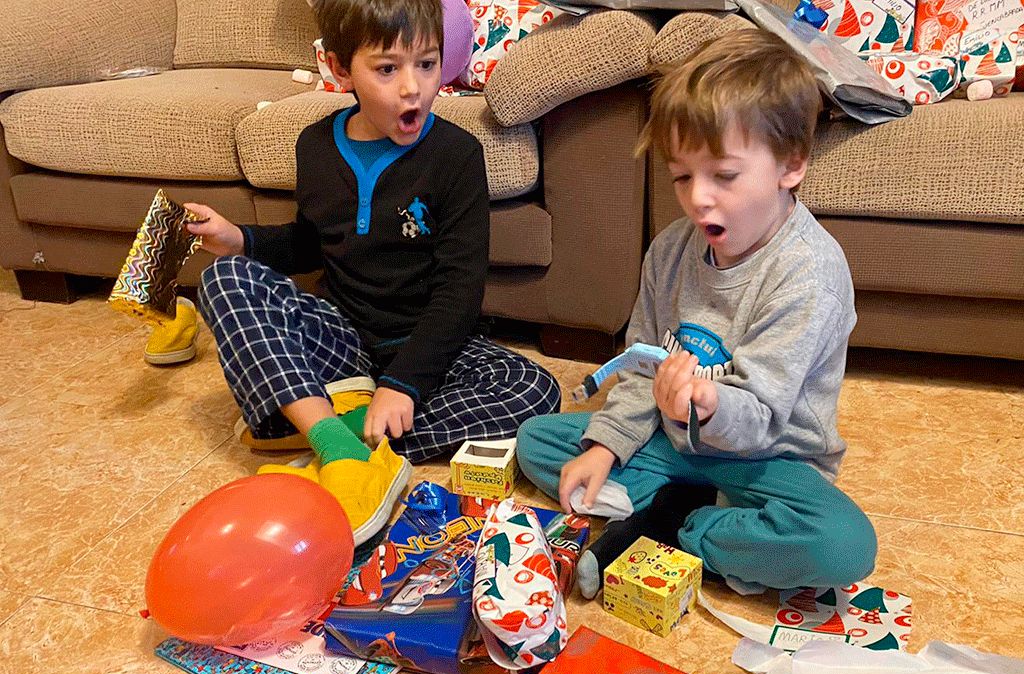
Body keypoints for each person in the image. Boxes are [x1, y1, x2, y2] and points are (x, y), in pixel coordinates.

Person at [181, 0, 560, 544]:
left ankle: (329, 432)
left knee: (534, 389)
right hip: (343, 343)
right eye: (387, 69)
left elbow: (460, 291)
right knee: (223, 277)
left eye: (426, 65)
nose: (413, 88)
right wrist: (239, 239)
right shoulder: (315, 146)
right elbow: (312, 243)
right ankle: (335, 440)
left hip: (425, 344)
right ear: (341, 70)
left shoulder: (457, 155)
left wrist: (403, 386)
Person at [516, 28, 876, 598]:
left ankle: (682, 528)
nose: (698, 198)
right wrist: (607, 445)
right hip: (674, 445)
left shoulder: (808, 275)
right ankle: (685, 508)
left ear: (791, 165)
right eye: (682, 176)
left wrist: (707, 404)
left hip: (768, 462)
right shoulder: (669, 251)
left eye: (723, 176)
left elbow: (762, 415)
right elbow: (640, 368)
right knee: (538, 440)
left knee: (843, 545)